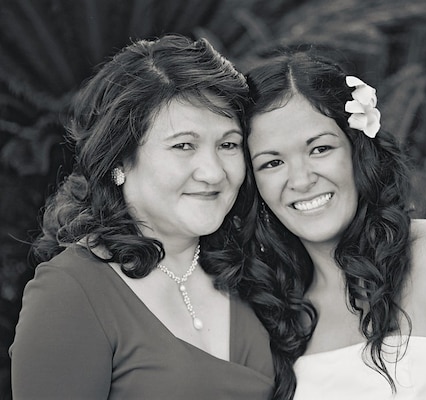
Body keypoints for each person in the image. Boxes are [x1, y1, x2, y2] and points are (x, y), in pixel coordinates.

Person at [239, 51, 426, 399]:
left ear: (358, 150)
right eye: (272, 162)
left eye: (320, 149)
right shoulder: (272, 317)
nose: (301, 179)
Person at [10, 34, 274, 399]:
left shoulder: (252, 270)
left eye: (228, 144)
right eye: (184, 145)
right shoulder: (71, 292)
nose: (213, 173)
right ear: (118, 160)